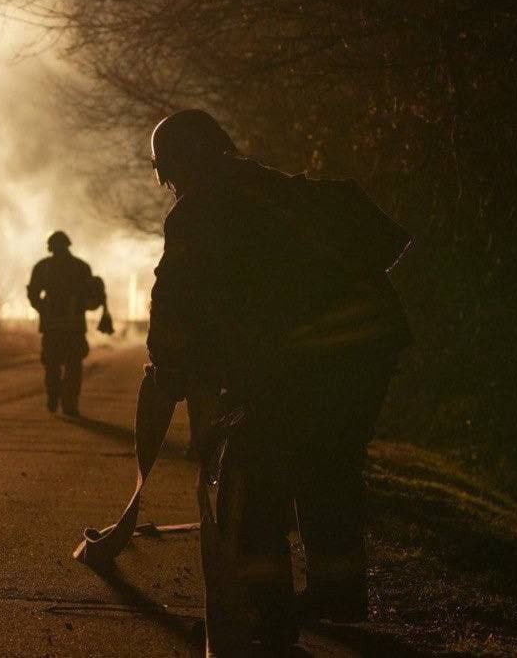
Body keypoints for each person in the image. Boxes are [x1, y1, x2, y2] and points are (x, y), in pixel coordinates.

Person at [144, 109, 411, 655]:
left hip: (303, 357)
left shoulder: (198, 213)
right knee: (328, 461)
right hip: (370, 344)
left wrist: (168, 369)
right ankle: (338, 593)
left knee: (252, 474)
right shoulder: (277, 189)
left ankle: (266, 614)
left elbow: (175, 301)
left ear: (176, 164)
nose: (168, 182)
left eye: (165, 170)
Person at [27, 231, 112, 416]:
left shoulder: (43, 267)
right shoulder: (81, 267)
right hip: (73, 329)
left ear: (50, 247)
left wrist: (42, 308)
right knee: (73, 368)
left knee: (53, 366)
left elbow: (33, 293)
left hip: (53, 329)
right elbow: (91, 296)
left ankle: (54, 396)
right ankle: (69, 404)